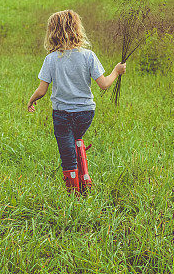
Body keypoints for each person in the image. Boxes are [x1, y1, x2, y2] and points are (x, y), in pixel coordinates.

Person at [27, 10, 126, 195]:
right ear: (77, 29)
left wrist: (31, 100)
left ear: (53, 33)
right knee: (76, 140)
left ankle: (74, 195)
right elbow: (104, 84)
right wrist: (116, 71)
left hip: (62, 115)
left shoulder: (50, 59)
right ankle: (85, 180)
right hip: (85, 114)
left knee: (67, 156)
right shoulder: (88, 56)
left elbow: (42, 90)